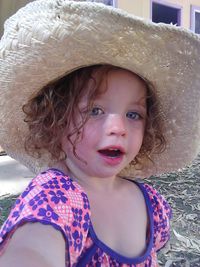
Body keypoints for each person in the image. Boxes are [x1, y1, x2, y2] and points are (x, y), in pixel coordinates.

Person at [0, 0, 200, 266]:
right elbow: (32, 251)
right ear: (56, 119)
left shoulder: (150, 203)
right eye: (94, 110)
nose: (118, 128)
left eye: (133, 115)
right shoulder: (56, 197)